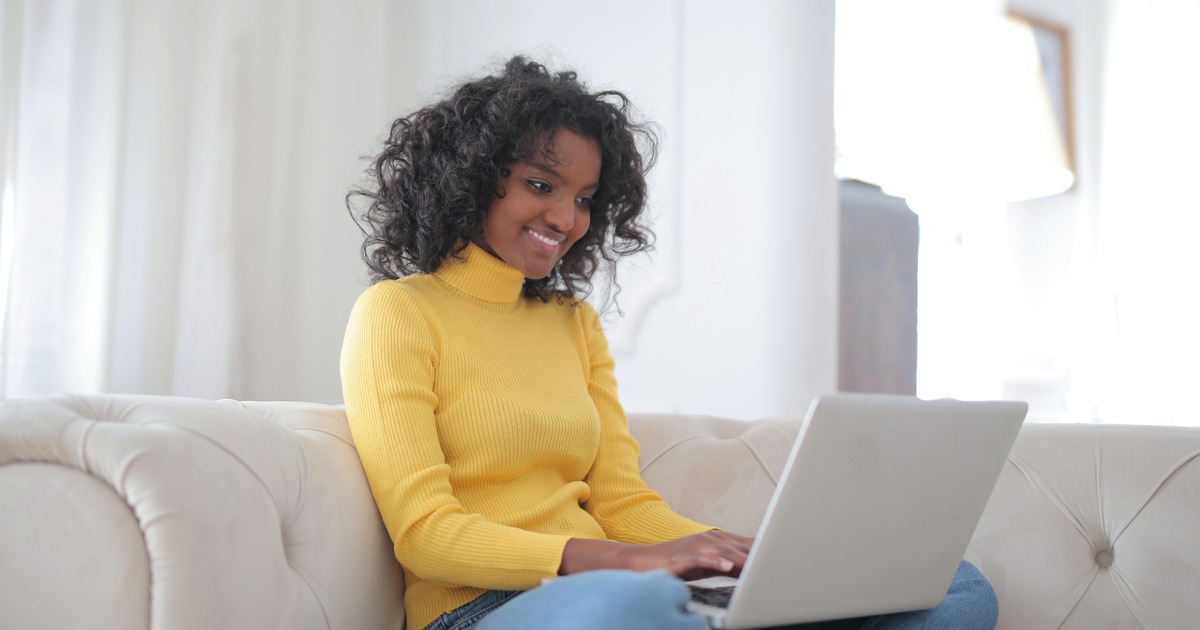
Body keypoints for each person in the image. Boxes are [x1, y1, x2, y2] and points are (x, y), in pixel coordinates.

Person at [341, 56, 998, 630]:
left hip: (622, 590)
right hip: (487, 609)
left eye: (585, 198)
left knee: (957, 586)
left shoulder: (573, 324)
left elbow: (622, 502)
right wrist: (623, 563)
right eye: (542, 185)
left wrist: (752, 557)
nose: (567, 219)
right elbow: (426, 535)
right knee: (640, 610)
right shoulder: (397, 314)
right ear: (472, 177)